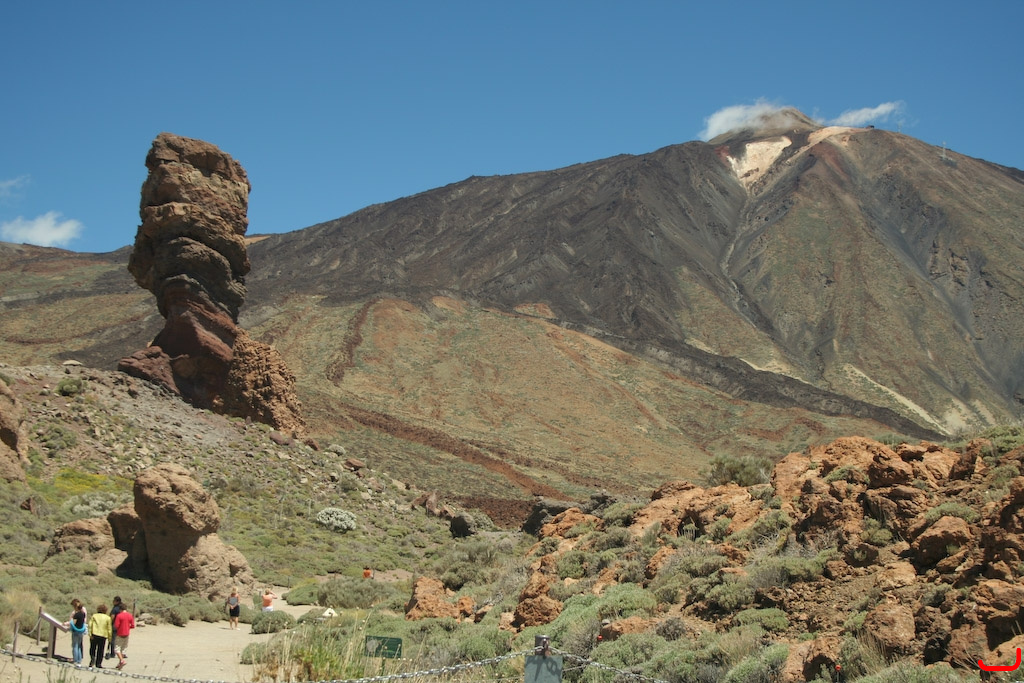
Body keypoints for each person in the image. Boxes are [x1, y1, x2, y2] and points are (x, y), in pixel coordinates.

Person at [87, 604, 112, 669]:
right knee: (100, 650)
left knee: (92, 648)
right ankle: (98, 663)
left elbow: (90, 625)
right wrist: (110, 638)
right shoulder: (108, 618)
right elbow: (109, 628)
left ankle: (92, 659)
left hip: (94, 634)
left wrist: (90, 633)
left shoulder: (94, 616)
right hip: (103, 635)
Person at [112, 603, 135, 670]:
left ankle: (122, 661)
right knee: (123, 649)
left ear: (120, 609)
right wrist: (127, 627)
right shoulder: (130, 615)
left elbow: (116, 625)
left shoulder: (119, 616)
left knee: (117, 649)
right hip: (126, 634)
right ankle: (120, 663)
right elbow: (132, 625)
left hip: (120, 634)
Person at [67, 599, 87, 665]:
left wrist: (69, 624)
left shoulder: (76, 615)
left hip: (75, 631)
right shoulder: (83, 614)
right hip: (81, 631)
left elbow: (74, 623)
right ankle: (79, 660)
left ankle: (75, 660)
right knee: (79, 646)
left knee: (75, 646)